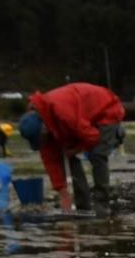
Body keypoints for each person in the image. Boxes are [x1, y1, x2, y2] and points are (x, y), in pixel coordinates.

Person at [20, 82, 126, 212]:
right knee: (69, 156)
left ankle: (102, 205)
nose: (43, 142)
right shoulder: (42, 125)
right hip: (80, 120)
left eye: (42, 139)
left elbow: (92, 136)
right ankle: (83, 205)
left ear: (44, 130)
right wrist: (62, 192)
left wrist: (75, 150)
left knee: (97, 154)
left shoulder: (62, 112)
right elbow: (51, 161)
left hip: (106, 109)